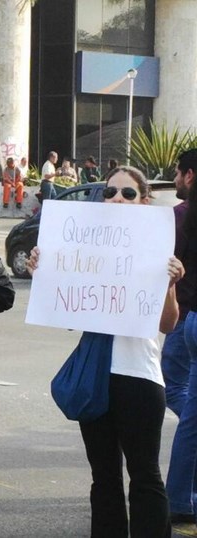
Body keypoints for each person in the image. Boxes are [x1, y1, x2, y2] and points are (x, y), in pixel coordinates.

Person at [27, 165, 182, 537]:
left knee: (144, 475)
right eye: (111, 192)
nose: (117, 199)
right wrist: (44, 272)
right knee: (104, 477)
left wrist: (171, 283)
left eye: (128, 193)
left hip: (140, 377)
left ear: (144, 200)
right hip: (96, 377)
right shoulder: (84, 243)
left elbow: (167, 324)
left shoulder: (158, 248)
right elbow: (67, 313)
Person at [165, 148, 197, 525]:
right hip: (186, 317)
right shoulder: (179, 216)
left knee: (184, 401)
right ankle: (179, 499)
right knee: (186, 404)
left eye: (177, 173)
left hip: (186, 318)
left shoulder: (181, 216)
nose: (175, 179)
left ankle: (180, 497)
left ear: (189, 175)